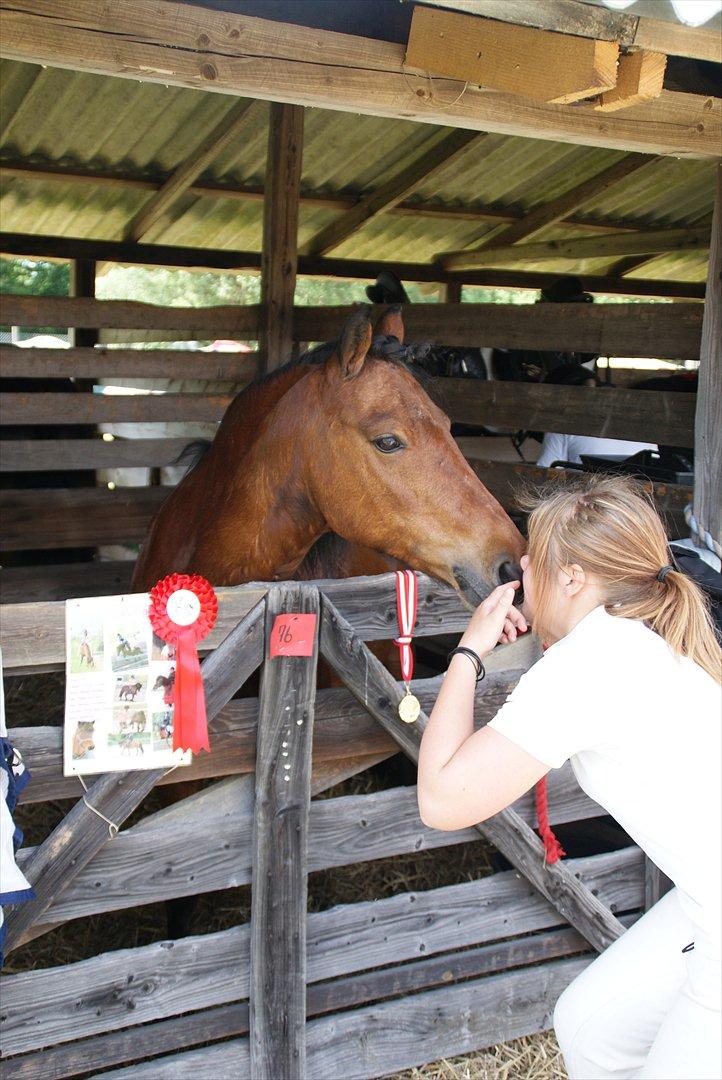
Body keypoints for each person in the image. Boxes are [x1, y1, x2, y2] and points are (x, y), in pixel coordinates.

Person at [418, 475, 721, 1079]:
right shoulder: (641, 633)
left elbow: (442, 800)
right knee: (591, 1024)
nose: (521, 572)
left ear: (574, 578)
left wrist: (469, 651)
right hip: (704, 900)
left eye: (533, 562)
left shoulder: (591, 662)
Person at [535, 363, 657, 468]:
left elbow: (545, 473)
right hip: (635, 492)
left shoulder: (564, 422)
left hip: (588, 493)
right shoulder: (640, 422)